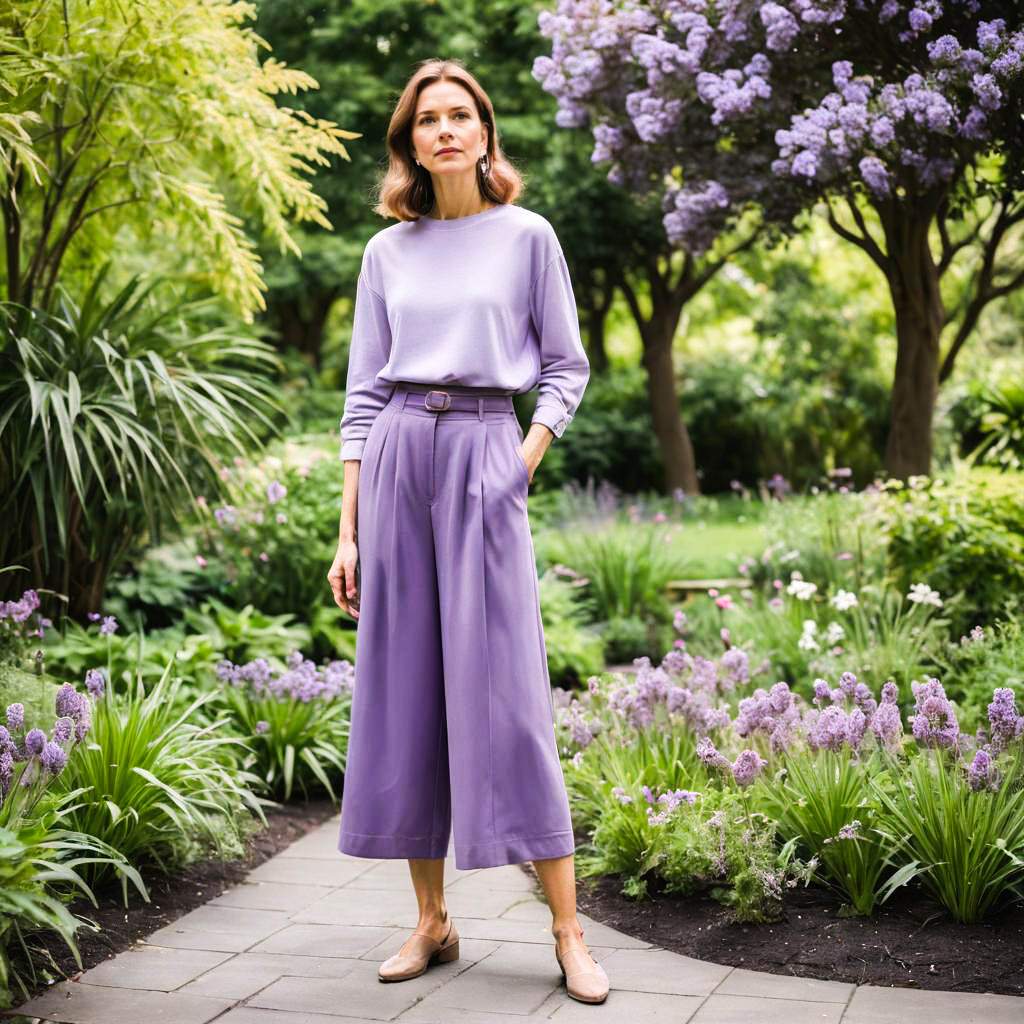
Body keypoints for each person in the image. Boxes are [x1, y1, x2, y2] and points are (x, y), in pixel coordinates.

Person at [326, 57, 608, 1005]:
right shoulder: (385, 255)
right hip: (401, 452)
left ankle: (569, 931)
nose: (445, 129)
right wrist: (348, 532)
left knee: (510, 694)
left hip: (488, 446)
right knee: (405, 692)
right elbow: (362, 394)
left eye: (461, 114)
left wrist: (519, 461)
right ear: (409, 142)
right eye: (427, 119)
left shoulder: (528, 237)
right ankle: (433, 922)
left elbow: (566, 370)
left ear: (485, 134)